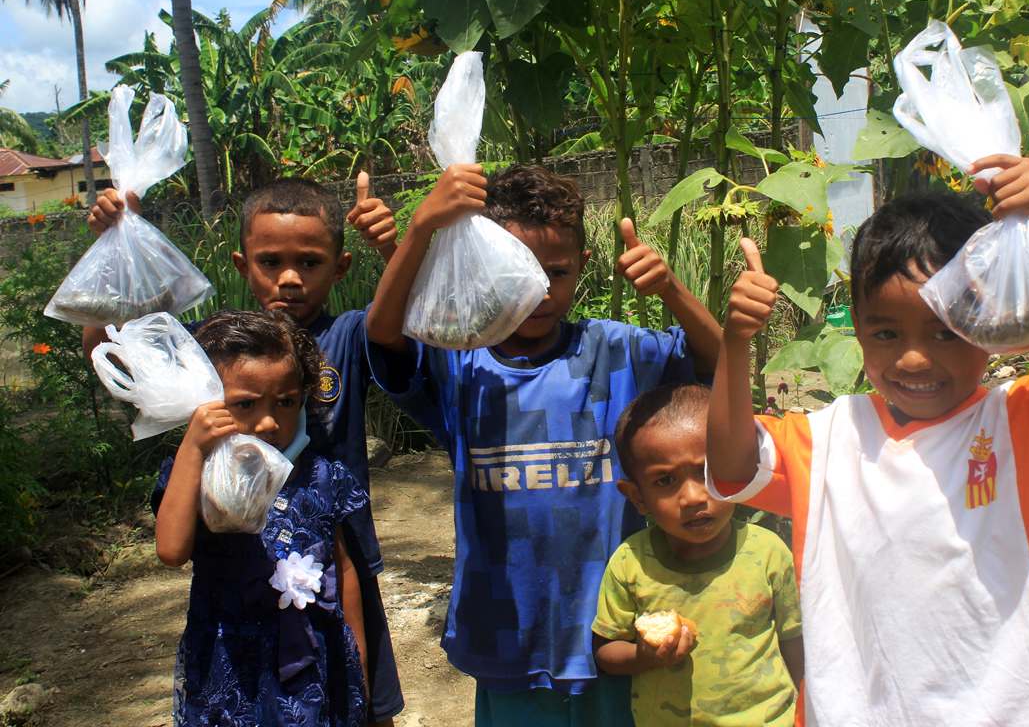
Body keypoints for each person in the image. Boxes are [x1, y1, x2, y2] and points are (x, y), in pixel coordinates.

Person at [706, 155, 1029, 727]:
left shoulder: (1025, 419)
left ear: (990, 322)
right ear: (856, 323)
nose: (914, 357)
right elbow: (730, 468)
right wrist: (735, 342)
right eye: (886, 332)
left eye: (946, 331)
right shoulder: (827, 440)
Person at [366, 164, 723, 725]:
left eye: (555, 272)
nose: (537, 291)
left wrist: (670, 289)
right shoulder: (461, 363)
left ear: (582, 266)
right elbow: (385, 335)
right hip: (504, 632)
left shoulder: (619, 352)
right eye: (517, 272)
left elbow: (721, 365)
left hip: (616, 634)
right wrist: (419, 231)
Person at [85, 175, 406, 726]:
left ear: (341, 268)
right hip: (237, 577)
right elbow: (112, 352)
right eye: (269, 261)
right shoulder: (214, 347)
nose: (289, 276)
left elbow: (409, 319)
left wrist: (393, 249)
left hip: (332, 555)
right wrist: (116, 243)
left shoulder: (351, 334)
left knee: (361, 699)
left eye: (309, 262)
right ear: (241, 264)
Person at [153, 309, 369, 726]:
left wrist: (355, 652)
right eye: (245, 404)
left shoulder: (322, 477)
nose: (269, 421)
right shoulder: (196, 478)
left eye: (285, 402)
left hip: (315, 662)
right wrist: (194, 449)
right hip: (229, 666)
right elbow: (171, 550)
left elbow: (343, 568)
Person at [592, 382, 803, 727]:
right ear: (637, 496)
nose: (692, 497)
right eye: (665, 481)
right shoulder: (631, 563)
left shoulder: (767, 553)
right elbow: (605, 651)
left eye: (707, 472)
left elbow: (795, 640)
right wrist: (644, 657)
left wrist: (815, 706)